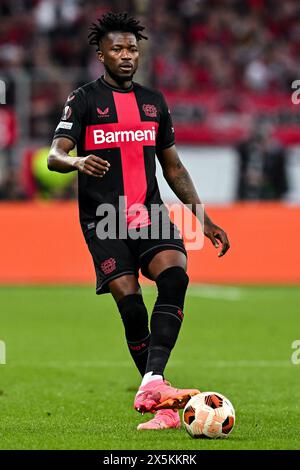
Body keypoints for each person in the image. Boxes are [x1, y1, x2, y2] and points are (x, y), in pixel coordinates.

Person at [47, 12, 230, 430]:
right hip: (103, 219)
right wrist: (75, 160)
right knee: (131, 305)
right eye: (117, 49)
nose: (126, 55)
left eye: (132, 48)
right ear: (101, 54)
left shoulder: (154, 102)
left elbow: (174, 168)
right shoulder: (84, 100)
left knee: (175, 274)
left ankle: (152, 381)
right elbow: (54, 155)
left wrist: (204, 218)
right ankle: (163, 407)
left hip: (148, 211)